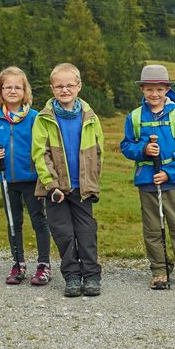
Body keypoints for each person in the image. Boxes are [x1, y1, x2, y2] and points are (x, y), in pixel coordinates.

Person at [120, 64, 175, 291]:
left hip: (172, 180)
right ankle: (159, 270)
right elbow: (126, 146)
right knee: (152, 228)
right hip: (147, 180)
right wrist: (143, 150)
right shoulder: (135, 117)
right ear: (142, 89)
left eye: (159, 89)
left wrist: (169, 172)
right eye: (149, 89)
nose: (154, 94)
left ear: (167, 89)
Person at [31, 63, 105, 298]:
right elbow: (40, 154)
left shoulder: (90, 117)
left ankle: (91, 275)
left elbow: (98, 151)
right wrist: (51, 185)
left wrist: (92, 181)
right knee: (63, 233)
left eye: (70, 85)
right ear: (52, 88)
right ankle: (72, 275)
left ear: (79, 86)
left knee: (86, 232)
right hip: (56, 190)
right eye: (59, 86)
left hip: (82, 188)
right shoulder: (44, 118)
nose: (65, 90)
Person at [0, 66, 51, 286]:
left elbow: (44, 147)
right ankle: (18, 263)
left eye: (17, 87)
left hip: (32, 180)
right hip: (8, 180)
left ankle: (44, 264)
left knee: (39, 220)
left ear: (25, 91)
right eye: (7, 87)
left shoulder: (34, 118)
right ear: (0, 91)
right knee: (14, 222)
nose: (12, 91)